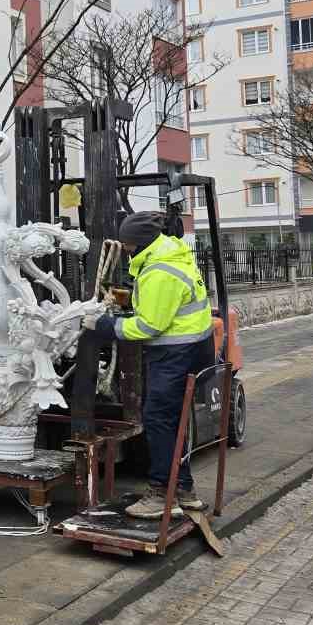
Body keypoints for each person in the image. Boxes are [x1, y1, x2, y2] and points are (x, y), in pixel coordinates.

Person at [83, 210, 214, 520]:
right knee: (174, 422)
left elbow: (148, 327)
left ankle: (160, 494)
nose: (125, 251)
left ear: (139, 244)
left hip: (175, 354)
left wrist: (104, 326)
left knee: (158, 420)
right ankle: (183, 490)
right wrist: (130, 300)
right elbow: (166, 303)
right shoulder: (171, 254)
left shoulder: (159, 271)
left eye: (127, 246)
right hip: (192, 348)